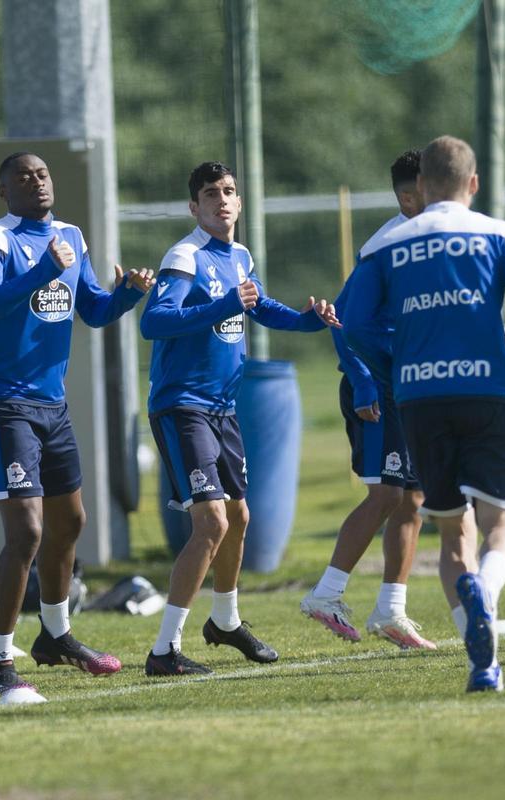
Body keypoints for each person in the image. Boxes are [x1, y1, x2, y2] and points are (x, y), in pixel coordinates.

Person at [342, 135, 505, 693]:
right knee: (503, 524)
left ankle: (484, 665)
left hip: (419, 403)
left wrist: (396, 365)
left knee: (454, 536)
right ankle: (487, 594)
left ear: (421, 186)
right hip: (483, 393)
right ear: (473, 183)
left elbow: (353, 325)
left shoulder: (386, 244)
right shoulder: (500, 235)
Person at [0, 152, 154, 701]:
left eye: (42, 174)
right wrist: (42, 271)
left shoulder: (70, 236)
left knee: (70, 522)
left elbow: (91, 309)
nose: (36, 181)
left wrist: (128, 294)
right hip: (2, 402)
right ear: (4, 190)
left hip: (52, 403)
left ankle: (55, 634)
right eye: (22, 177)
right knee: (25, 531)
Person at [140, 161, 340, 676]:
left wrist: (307, 321)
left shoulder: (241, 256)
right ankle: (164, 650)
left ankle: (225, 621)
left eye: (229, 191)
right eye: (210, 193)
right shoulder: (185, 256)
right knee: (212, 522)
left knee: (239, 517)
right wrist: (224, 303)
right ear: (194, 206)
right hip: (183, 406)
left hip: (223, 408)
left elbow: (260, 307)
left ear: (240, 201)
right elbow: (155, 321)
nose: (222, 200)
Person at [300, 150, 438, 650]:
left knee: (412, 498)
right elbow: (344, 319)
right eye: (430, 190)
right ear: (407, 196)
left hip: (406, 387)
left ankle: (391, 610)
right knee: (385, 495)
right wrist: (362, 381)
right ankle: (325, 593)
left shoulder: (430, 240)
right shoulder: (386, 246)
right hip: (376, 390)